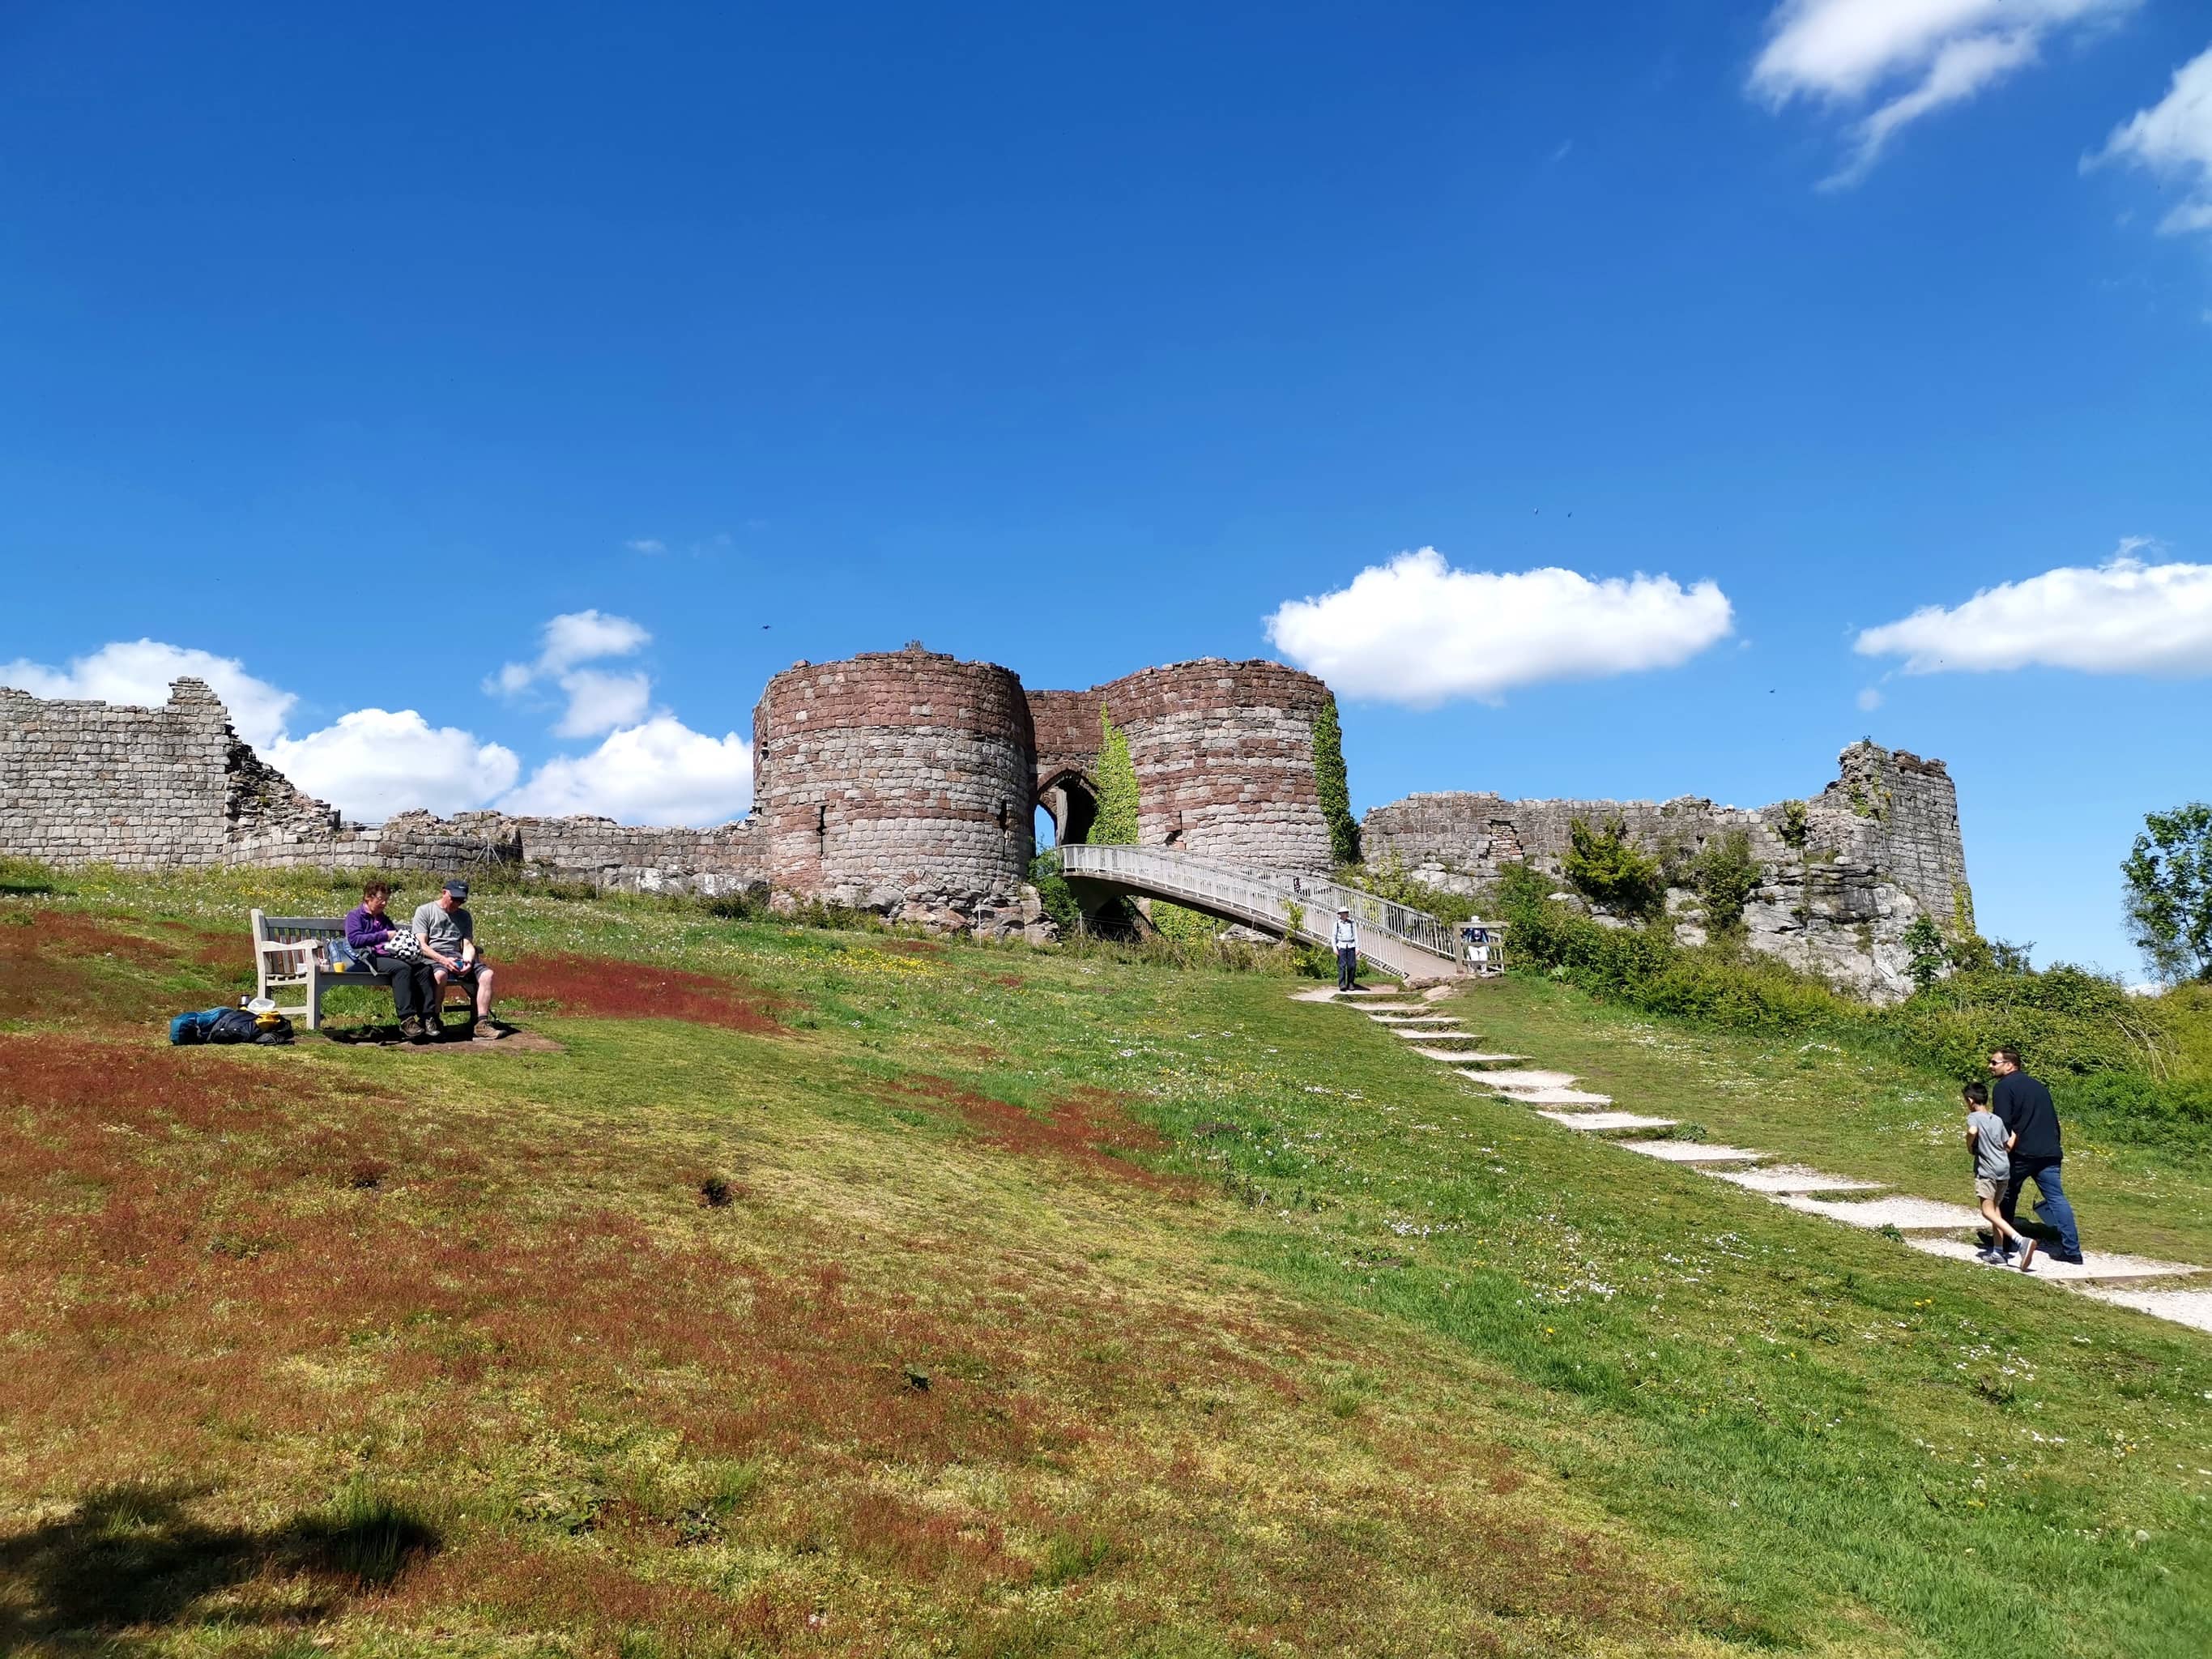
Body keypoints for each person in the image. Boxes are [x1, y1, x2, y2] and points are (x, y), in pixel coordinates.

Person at [1988, 1046, 2082, 1265]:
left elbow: (2002, 1123)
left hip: (2021, 1152)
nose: (1990, 1067)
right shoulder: (2039, 1086)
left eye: (1994, 1062)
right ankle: (2072, 1250)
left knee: (2005, 1195)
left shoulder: (2004, 1087)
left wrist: (1997, 1149)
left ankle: (2006, 1243)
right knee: (2057, 1199)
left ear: (2010, 1065)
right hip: (2049, 1151)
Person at [343, 880, 437, 1043]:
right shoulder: (355, 916)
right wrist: (384, 936)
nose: (384, 903)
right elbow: (355, 940)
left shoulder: (383, 918)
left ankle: (427, 1017)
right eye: (380, 899)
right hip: (368, 958)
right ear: (368, 898)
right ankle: (406, 1020)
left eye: (386, 900)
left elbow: (396, 938)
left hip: (389, 956)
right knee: (402, 968)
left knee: (424, 969)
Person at [411, 878, 505, 1040]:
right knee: (440, 975)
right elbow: (421, 945)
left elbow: (468, 944)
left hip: (458, 957)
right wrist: (443, 960)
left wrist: (468, 961)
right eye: (454, 899)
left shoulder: (464, 916)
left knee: (487, 975)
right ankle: (434, 1019)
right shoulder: (425, 911)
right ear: (444, 893)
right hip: (434, 956)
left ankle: (481, 1024)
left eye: (461, 900)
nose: (457, 903)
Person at [1963, 1082, 2036, 1271]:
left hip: (1987, 1171)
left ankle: (2021, 1241)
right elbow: (2008, 1144)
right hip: (2004, 1169)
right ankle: (1998, 1252)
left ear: (1971, 1101)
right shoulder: (1996, 1119)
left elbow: (1972, 1131)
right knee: (1996, 1211)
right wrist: (2017, 1133)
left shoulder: (1973, 1117)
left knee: (1987, 1212)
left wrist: (1969, 1144)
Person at [1332, 905, 1360, 992]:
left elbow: (1355, 936)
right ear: (1340, 914)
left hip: (1351, 945)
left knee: (1352, 965)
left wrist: (1357, 948)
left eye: (1346, 913)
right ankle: (1342, 984)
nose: (1345, 914)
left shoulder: (1352, 923)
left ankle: (1351, 983)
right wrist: (1335, 948)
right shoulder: (1337, 924)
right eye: (1343, 913)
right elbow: (1333, 937)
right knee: (1342, 966)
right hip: (1341, 946)